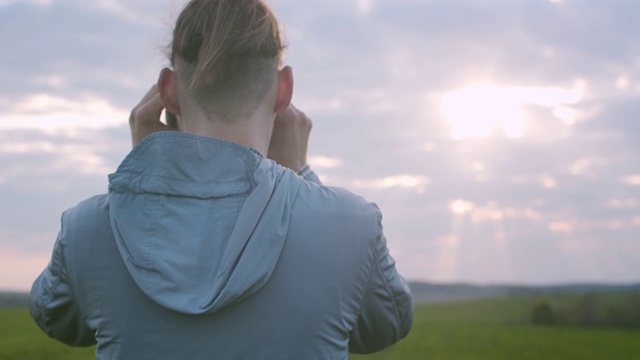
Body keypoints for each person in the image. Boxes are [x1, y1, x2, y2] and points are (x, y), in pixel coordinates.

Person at [29, 0, 413, 358]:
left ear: (168, 92)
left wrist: (143, 180)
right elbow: (386, 327)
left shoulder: (86, 228)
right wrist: (299, 177)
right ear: (283, 90)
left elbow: (57, 320)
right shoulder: (351, 224)